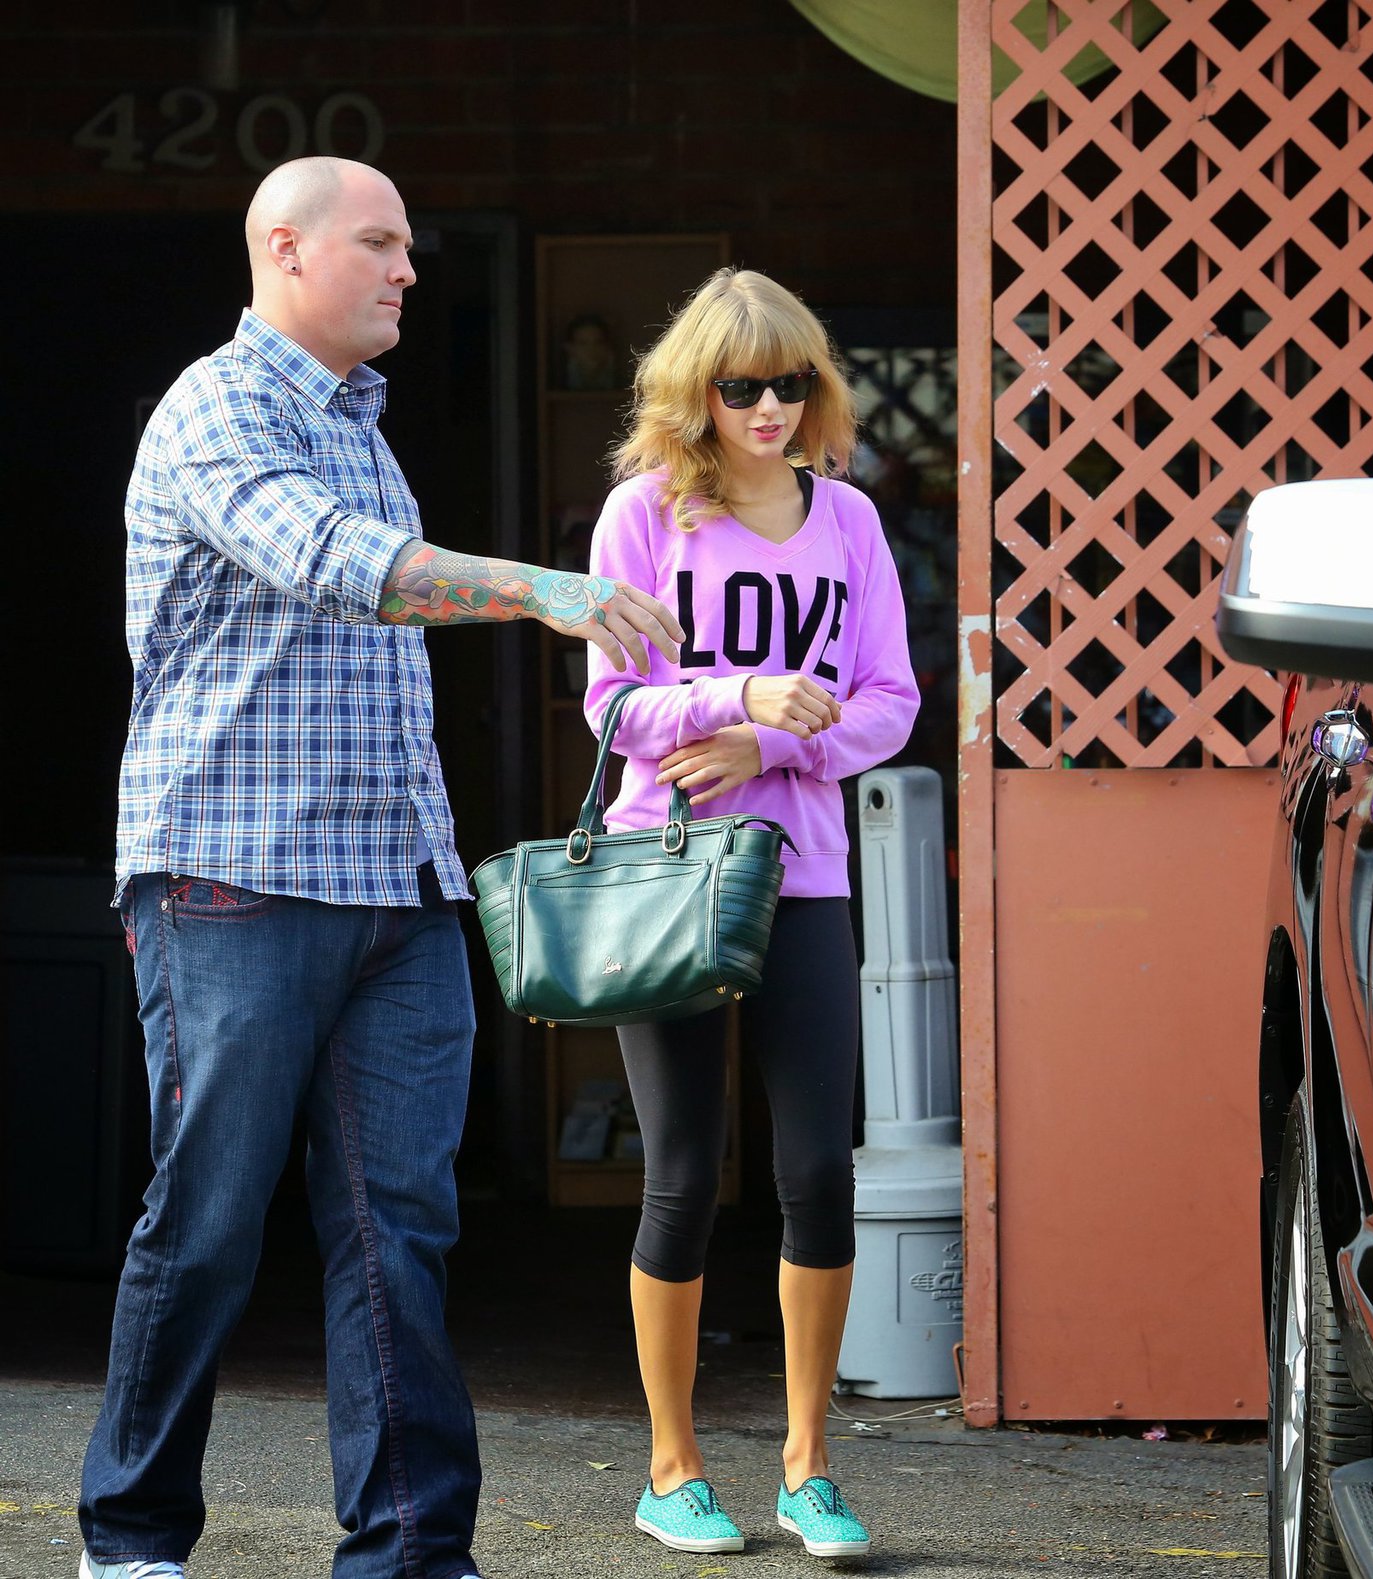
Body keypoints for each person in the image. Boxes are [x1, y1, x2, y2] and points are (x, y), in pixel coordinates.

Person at [77, 156, 682, 1579]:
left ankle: (413, 1551)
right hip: (231, 879)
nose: (411, 269)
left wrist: (438, 873)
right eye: (382, 244)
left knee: (395, 1231)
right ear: (286, 251)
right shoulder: (218, 406)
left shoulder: (362, 419)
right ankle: (133, 1538)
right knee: (210, 1222)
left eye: (414, 245)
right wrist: (547, 590)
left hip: (399, 894)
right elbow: (344, 565)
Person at [583, 267, 920, 1559]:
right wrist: (739, 701)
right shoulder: (642, 519)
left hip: (807, 873)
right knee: (679, 1174)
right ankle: (670, 1470)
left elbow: (889, 700)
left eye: (792, 384)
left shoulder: (849, 523)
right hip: (667, 868)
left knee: (815, 1173)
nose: (770, 408)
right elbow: (610, 707)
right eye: (742, 387)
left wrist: (775, 748)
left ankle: (807, 1468)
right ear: (696, 394)